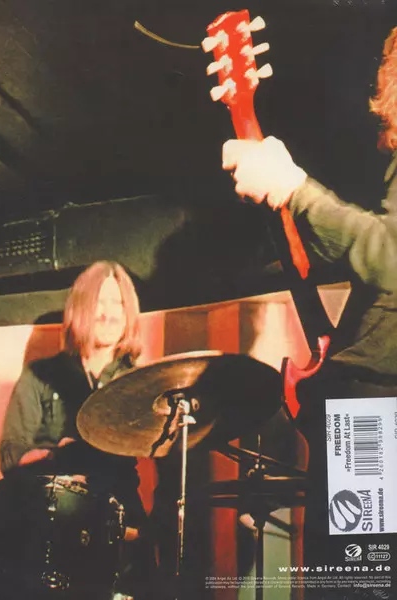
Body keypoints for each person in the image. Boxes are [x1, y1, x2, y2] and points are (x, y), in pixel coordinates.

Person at [220, 26, 397, 599]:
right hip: (370, 402)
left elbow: (390, 257)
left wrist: (295, 189)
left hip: (375, 403)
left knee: (354, 584)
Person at [0, 261, 155, 600]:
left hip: (118, 518)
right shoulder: (39, 375)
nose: (109, 314)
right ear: (81, 308)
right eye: (100, 301)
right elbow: (11, 454)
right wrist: (58, 457)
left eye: (119, 303)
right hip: (44, 521)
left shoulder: (141, 383)